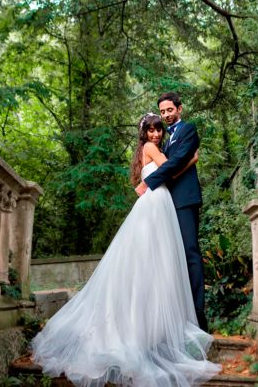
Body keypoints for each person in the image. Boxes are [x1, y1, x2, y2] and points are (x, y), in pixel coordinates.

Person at [32, 113, 221, 387]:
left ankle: (147, 326)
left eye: (159, 130)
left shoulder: (145, 150)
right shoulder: (151, 148)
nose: (156, 134)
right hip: (157, 205)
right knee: (154, 262)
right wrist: (191, 160)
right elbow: (169, 170)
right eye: (152, 130)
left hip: (155, 204)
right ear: (144, 134)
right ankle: (143, 329)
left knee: (149, 264)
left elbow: (155, 176)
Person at [135, 92, 208, 332]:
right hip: (164, 205)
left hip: (184, 201)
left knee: (189, 254)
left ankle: (197, 317)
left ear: (179, 108)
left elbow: (174, 164)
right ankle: (172, 317)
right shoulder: (161, 142)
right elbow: (169, 163)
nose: (167, 115)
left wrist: (148, 183)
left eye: (170, 110)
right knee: (167, 259)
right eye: (163, 111)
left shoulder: (188, 130)